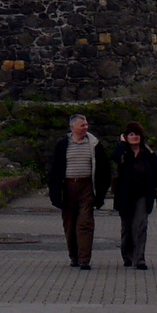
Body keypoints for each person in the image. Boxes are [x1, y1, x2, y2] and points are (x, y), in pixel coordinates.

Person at [48, 114, 112, 270]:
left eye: (86, 125)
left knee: (85, 223)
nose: (86, 128)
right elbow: (53, 170)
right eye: (82, 125)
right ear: (72, 127)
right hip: (67, 188)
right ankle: (74, 256)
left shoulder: (94, 145)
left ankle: (85, 259)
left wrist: (101, 191)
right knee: (70, 226)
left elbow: (104, 169)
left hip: (87, 188)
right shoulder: (62, 144)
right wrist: (55, 191)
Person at [113, 122, 157, 269]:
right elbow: (115, 156)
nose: (134, 137)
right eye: (131, 134)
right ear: (126, 137)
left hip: (143, 194)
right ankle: (127, 255)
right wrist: (123, 144)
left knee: (140, 225)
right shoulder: (123, 153)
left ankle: (139, 258)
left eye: (137, 134)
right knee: (127, 229)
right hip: (125, 195)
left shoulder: (148, 154)